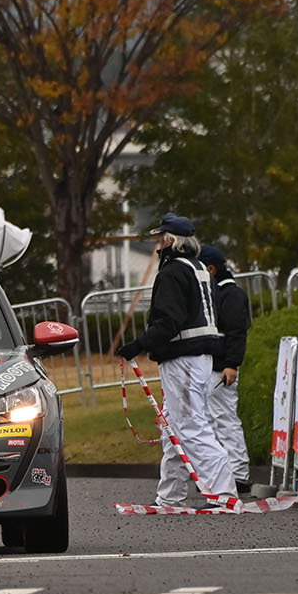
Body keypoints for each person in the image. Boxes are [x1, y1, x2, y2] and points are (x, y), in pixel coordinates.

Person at [116, 214, 235, 508]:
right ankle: (171, 495)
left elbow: (168, 322)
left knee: (192, 426)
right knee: (173, 427)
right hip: (199, 358)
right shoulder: (198, 269)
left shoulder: (172, 273)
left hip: (183, 359)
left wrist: (137, 345)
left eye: (161, 238)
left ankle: (223, 493)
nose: (158, 244)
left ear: (170, 240)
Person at [198, 244, 252, 493]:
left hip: (222, 368)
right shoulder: (221, 292)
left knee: (225, 419)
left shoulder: (230, 295)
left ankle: (238, 472)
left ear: (211, 269)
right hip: (214, 366)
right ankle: (222, 473)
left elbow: (236, 333)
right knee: (213, 420)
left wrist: (232, 364)